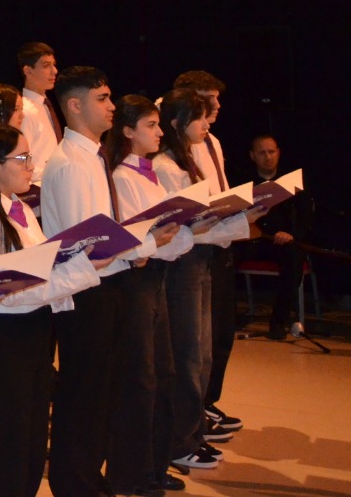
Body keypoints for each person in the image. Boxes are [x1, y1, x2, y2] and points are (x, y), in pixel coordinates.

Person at [0, 124, 108, 496]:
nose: (30, 166)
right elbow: (4, 292)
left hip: (31, 332)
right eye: (21, 158)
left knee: (31, 440)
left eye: (29, 157)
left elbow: (37, 270)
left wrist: (72, 261)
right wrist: (80, 270)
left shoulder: (17, 206)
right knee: (5, 443)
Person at [39, 65, 166, 497]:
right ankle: (75, 484)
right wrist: (146, 242)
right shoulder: (71, 164)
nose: (112, 106)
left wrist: (140, 242)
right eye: (103, 99)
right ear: (74, 105)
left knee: (102, 393)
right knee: (84, 394)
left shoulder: (92, 156)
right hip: (85, 290)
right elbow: (87, 243)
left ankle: (88, 479)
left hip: (106, 284)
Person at [104, 96, 201, 497]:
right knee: (140, 379)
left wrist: (184, 229)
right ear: (128, 131)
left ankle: (153, 468)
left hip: (156, 277)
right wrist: (168, 237)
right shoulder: (123, 177)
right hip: (137, 282)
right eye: (151, 125)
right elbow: (138, 240)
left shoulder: (148, 174)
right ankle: (131, 474)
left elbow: (166, 238)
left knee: (164, 374)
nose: (161, 132)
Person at [152, 90, 251, 474]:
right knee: (188, 354)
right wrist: (226, 222)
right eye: (198, 117)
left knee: (203, 352)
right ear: (176, 123)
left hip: (202, 257)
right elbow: (177, 225)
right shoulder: (165, 165)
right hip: (182, 263)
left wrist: (239, 214)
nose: (207, 123)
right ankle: (180, 440)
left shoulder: (188, 159)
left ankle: (193, 432)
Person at [171, 69, 242, 439]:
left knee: (219, 335)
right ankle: (190, 417)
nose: (216, 106)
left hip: (218, 242)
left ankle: (205, 403)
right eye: (207, 99)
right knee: (192, 344)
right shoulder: (174, 148)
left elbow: (220, 190)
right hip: (191, 247)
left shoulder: (211, 140)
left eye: (217, 98)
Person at [240, 134, 311, 340]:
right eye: (262, 153)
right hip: (253, 239)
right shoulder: (243, 183)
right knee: (223, 255)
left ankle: (279, 320)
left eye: (271, 152)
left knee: (294, 258)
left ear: (278, 153)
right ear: (252, 156)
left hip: (283, 241)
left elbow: (305, 216)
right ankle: (226, 316)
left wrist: (291, 234)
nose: (268, 157)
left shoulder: (292, 183)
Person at [17, 42, 62, 182]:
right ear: (28, 71)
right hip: (36, 188)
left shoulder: (45, 106)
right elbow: (20, 158)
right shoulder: (25, 111)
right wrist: (53, 173)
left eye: (53, 64)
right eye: (46, 65)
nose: (54, 71)